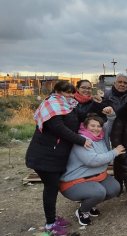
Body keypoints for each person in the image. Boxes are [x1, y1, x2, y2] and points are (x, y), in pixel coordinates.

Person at [25, 81, 92, 236]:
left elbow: (80, 116)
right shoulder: (51, 105)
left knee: (53, 187)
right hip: (44, 157)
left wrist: (95, 104)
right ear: (57, 91)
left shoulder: (69, 106)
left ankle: (52, 219)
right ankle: (50, 224)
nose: (70, 95)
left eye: (71, 92)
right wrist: (82, 140)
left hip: (56, 156)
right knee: (51, 188)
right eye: (66, 92)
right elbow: (59, 129)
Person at [60, 109, 125, 226]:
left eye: (99, 126)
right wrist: (114, 152)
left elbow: (109, 124)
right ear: (85, 126)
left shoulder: (100, 136)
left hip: (97, 177)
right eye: (92, 125)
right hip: (75, 181)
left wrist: (111, 114)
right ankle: (82, 211)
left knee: (115, 188)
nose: (96, 128)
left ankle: (90, 204)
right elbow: (92, 161)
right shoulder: (81, 140)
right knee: (99, 192)